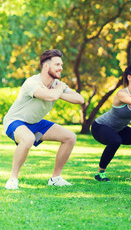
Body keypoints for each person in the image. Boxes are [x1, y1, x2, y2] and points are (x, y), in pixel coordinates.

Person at [3, 49, 84, 190]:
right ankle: (12, 179)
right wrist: (57, 91)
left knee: (70, 137)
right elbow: (50, 97)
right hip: (15, 120)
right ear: (46, 66)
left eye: (61, 65)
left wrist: (58, 92)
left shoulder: (57, 85)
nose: (61, 68)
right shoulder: (32, 82)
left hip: (36, 122)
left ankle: (55, 178)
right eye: (57, 64)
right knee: (27, 139)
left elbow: (79, 99)